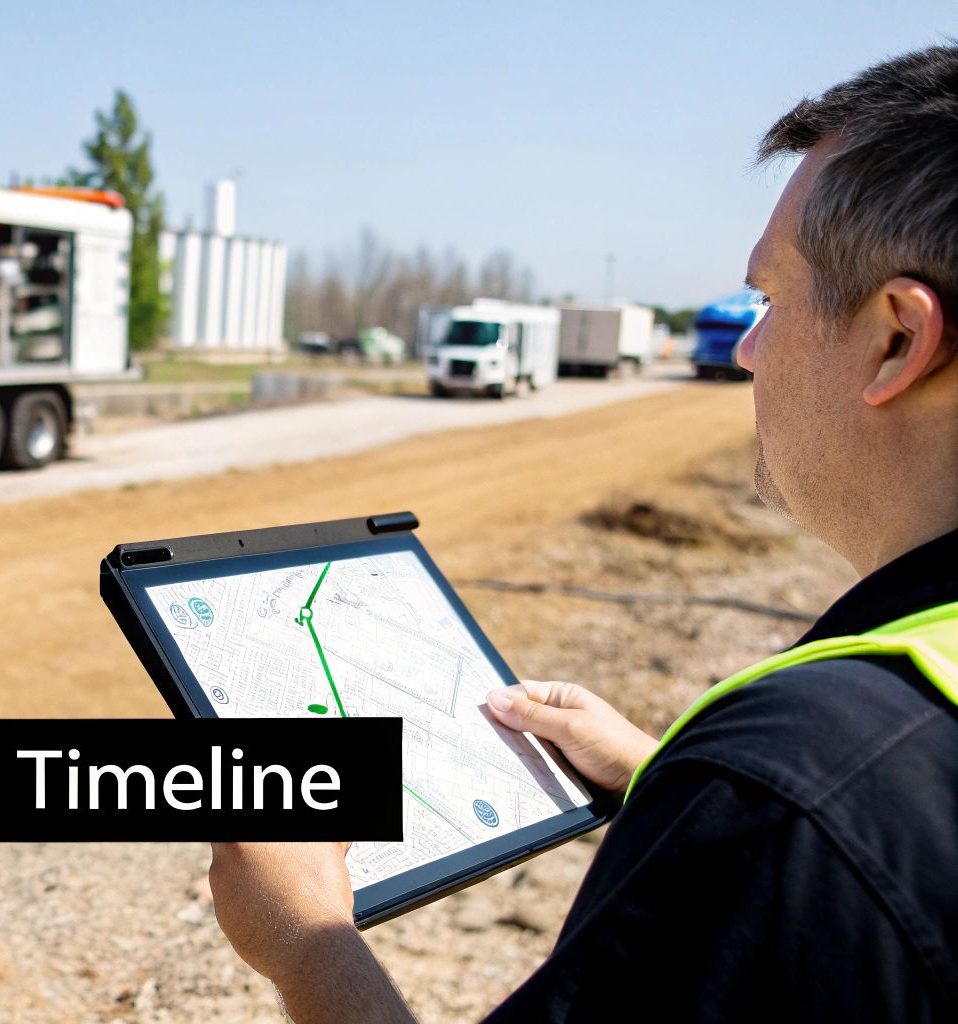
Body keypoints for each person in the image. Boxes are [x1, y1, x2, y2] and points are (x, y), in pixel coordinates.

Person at [209, 45, 958, 1023]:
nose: (742, 347)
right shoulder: (842, 765)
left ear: (896, 337)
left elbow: (837, 830)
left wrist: (307, 940)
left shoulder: (804, 781)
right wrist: (675, 783)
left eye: (768, 299)